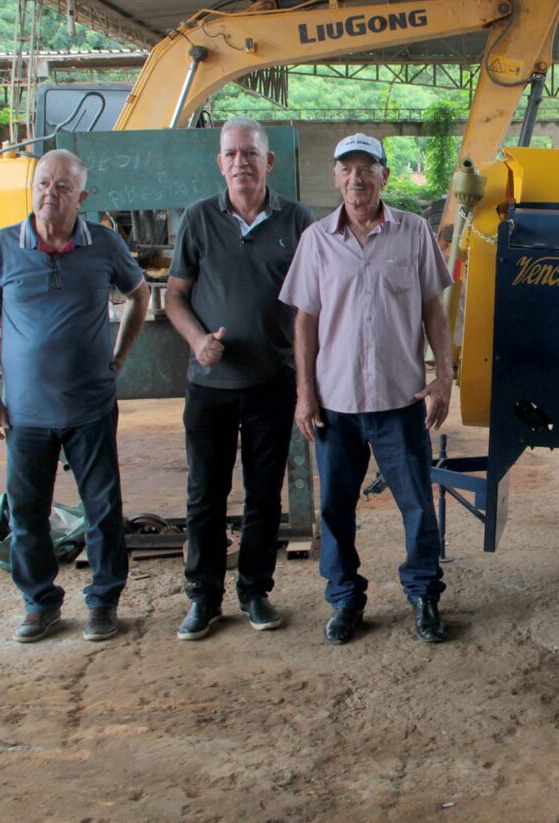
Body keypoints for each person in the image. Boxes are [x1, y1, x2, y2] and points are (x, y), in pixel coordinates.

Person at [279, 133, 453, 645]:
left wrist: (444, 376)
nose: (357, 177)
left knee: (417, 504)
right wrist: (304, 393)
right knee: (335, 508)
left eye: (367, 167)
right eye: (347, 168)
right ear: (336, 177)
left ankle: (423, 594)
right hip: (337, 404)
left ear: (385, 175)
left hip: (402, 401)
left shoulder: (414, 232)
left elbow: (433, 312)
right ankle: (345, 600)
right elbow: (305, 322)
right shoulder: (316, 241)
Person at [0, 149, 151, 643]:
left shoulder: (105, 245)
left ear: (82, 197)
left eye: (63, 188)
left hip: (90, 407)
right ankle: (40, 603)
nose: (50, 194)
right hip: (25, 413)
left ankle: (103, 602)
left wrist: (118, 360)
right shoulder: (3, 247)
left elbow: (140, 295)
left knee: (102, 509)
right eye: (43, 185)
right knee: (28, 513)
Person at [166, 117, 315, 641]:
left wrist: (304, 380)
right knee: (205, 493)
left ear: (268, 161)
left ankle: (254, 589)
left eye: (250, 153)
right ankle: (203, 598)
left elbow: (309, 307)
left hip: (271, 382)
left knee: (263, 494)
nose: (240, 163)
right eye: (230, 154)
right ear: (220, 162)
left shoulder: (297, 221)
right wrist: (197, 341)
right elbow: (175, 295)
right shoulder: (199, 219)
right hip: (209, 386)